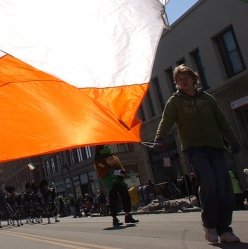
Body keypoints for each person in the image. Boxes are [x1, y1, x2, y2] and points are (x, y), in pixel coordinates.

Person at [154, 64, 241, 244]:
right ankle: (210, 226)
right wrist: (160, 138)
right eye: (179, 79)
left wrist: (233, 141)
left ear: (193, 78)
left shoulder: (207, 99)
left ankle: (225, 229)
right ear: (176, 83)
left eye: (186, 77)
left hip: (215, 147)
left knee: (225, 188)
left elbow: (222, 122)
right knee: (208, 182)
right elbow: (166, 120)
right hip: (195, 149)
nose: (183, 81)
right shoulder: (175, 101)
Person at [93, 145, 138, 227]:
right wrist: (117, 173)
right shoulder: (98, 161)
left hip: (119, 181)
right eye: (105, 147)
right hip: (110, 182)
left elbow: (120, 167)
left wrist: (122, 172)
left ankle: (128, 215)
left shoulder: (113, 158)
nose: (108, 148)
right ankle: (114, 218)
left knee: (126, 196)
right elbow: (105, 171)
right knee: (113, 199)